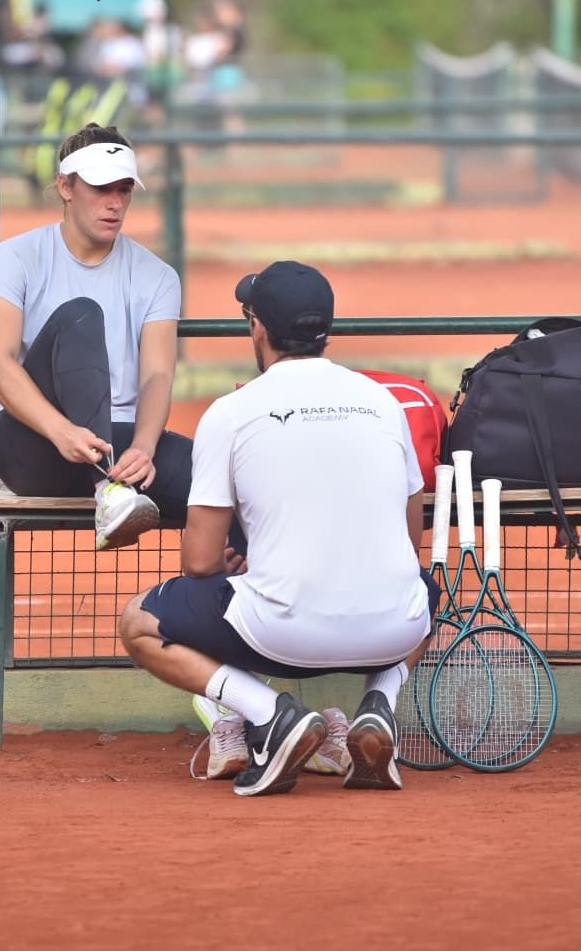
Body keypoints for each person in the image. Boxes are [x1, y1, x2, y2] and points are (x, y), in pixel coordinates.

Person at [120, 261, 440, 798]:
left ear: (257, 329)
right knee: (424, 589)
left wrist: (236, 562)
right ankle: (379, 705)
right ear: (326, 332)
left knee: (139, 624)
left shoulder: (231, 412)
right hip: (394, 631)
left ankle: (271, 715)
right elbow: (410, 544)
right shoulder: (386, 405)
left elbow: (198, 563)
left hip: (280, 636)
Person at [0, 122, 195, 552]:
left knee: (227, 483)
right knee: (81, 315)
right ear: (65, 187)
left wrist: (147, 447)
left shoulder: (158, 276)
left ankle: (222, 608)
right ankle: (108, 494)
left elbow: (157, 376)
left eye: (124, 190)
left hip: (123, 446)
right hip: (35, 443)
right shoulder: (13, 259)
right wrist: (62, 432)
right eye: (100, 189)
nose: (114, 204)